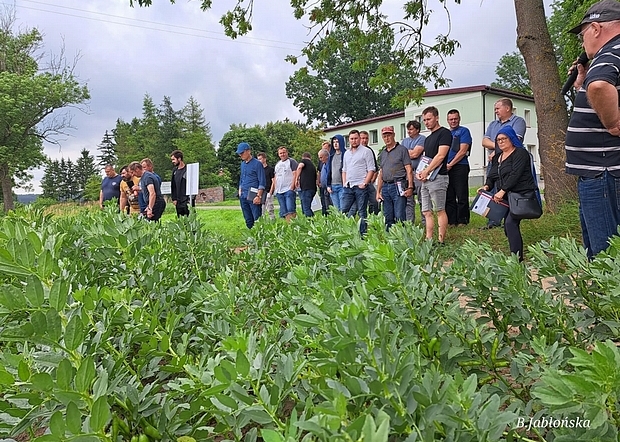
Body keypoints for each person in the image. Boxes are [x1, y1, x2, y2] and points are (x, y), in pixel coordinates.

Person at [566, 0, 620, 258]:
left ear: (596, 28)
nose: (582, 42)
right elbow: (594, 89)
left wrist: (613, 123)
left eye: (582, 34)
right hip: (600, 170)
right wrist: (580, 84)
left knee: (605, 256)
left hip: (605, 171)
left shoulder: (611, 52)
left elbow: (599, 86)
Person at [480, 126, 537, 261]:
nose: (500, 142)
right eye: (498, 139)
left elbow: (515, 174)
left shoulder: (520, 153)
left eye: (504, 138)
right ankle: (515, 253)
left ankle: (517, 260)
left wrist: (502, 190)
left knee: (510, 224)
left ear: (511, 138)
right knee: (508, 227)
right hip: (504, 198)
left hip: (519, 195)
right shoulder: (497, 157)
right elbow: (492, 175)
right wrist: (487, 186)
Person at [482, 98, 527, 229]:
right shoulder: (493, 124)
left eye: (497, 108)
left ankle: (510, 219)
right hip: (495, 162)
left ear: (507, 108)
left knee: (508, 189)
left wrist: (496, 150)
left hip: (512, 163)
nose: (495, 111)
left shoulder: (518, 122)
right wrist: (499, 148)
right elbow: (484, 141)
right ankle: (493, 221)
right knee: (492, 188)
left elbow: (515, 141)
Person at [417, 106, 452, 245]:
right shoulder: (427, 139)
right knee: (426, 211)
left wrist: (427, 171)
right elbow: (427, 158)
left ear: (437, 117)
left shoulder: (445, 133)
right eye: (424, 120)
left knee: (439, 209)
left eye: (429, 119)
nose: (426, 122)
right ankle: (429, 239)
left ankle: (441, 240)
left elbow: (440, 156)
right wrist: (421, 172)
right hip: (426, 179)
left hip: (439, 177)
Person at [375, 126, 414, 230]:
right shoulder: (382, 153)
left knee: (400, 215)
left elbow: (409, 169)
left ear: (393, 135)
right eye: (384, 136)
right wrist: (378, 191)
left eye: (389, 135)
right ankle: (390, 241)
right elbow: (381, 173)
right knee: (388, 216)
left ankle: (402, 240)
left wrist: (410, 187)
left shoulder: (402, 150)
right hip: (386, 186)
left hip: (398, 184)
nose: (387, 138)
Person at [341, 129, 376, 236]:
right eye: (351, 139)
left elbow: (371, 169)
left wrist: (365, 183)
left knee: (362, 212)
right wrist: (344, 182)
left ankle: (362, 235)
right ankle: (346, 233)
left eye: (356, 138)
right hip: (349, 186)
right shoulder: (346, 153)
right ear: (349, 140)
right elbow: (344, 170)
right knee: (345, 211)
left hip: (360, 186)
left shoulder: (366, 151)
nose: (354, 141)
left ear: (359, 139)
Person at [445, 109, 472, 226]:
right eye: (451, 119)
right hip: (446, 168)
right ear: (447, 121)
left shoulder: (464, 131)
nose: (453, 121)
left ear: (459, 119)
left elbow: (463, 151)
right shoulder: (446, 133)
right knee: (449, 195)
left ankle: (462, 220)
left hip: (460, 166)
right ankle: (451, 220)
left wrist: (451, 164)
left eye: (455, 118)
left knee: (461, 194)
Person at [401, 120, 426, 224]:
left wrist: (408, 152)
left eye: (411, 129)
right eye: (408, 129)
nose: (409, 131)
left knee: (422, 199)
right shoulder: (404, 141)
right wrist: (410, 152)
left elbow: (416, 154)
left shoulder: (422, 139)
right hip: (407, 174)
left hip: (418, 173)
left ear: (417, 129)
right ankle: (409, 222)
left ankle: (425, 222)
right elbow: (401, 155)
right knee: (408, 200)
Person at [236, 142, 266, 229]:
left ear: (248, 151)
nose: (240, 155)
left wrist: (259, 196)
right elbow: (242, 178)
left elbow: (262, 181)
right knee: (248, 220)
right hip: (243, 195)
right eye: (239, 153)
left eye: (242, 153)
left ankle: (260, 239)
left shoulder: (257, 164)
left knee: (257, 219)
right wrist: (240, 190)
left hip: (254, 195)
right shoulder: (242, 164)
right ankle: (252, 238)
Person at [272, 146, 298, 221]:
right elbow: (275, 176)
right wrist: (275, 189)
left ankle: (293, 225)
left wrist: (292, 187)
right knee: (283, 211)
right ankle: (286, 225)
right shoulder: (278, 164)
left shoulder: (291, 161)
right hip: (279, 191)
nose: (282, 154)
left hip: (288, 189)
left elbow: (295, 174)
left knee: (290, 209)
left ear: (287, 153)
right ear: (278, 154)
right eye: (280, 153)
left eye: (284, 152)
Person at [360, 130, 380, 215]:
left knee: (375, 202)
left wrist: (372, 179)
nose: (364, 140)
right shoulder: (353, 151)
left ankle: (374, 219)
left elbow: (375, 168)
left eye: (366, 138)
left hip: (369, 183)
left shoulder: (369, 150)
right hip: (358, 183)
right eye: (362, 138)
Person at [327, 134, 346, 211]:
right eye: (334, 142)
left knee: (343, 208)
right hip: (333, 186)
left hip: (342, 186)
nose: (335, 144)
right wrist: (328, 185)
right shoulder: (331, 156)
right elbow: (329, 171)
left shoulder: (345, 154)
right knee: (336, 209)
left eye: (337, 142)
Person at [295, 152, 318, 217]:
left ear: (303, 157)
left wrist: (297, 179)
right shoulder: (312, 165)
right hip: (313, 189)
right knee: (307, 206)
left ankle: (311, 221)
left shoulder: (304, 161)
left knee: (306, 208)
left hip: (306, 188)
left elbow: (299, 167)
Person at [170, 149, 190, 217]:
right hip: (178, 201)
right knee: (180, 220)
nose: (172, 162)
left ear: (179, 159)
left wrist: (190, 199)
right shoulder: (174, 171)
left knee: (189, 219)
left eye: (173, 159)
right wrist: (174, 199)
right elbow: (173, 186)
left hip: (187, 200)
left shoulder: (188, 169)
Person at [257, 152, 275, 220]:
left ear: (264, 159)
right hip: (261, 192)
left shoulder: (270, 169)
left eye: (260, 159)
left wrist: (270, 192)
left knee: (270, 209)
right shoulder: (258, 170)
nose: (259, 161)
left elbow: (273, 181)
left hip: (268, 191)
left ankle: (272, 221)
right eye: (258, 159)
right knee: (261, 210)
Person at [317, 148, 332, 215]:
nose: (320, 159)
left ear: (326, 156)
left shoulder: (330, 164)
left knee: (332, 206)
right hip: (325, 189)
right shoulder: (323, 164)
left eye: (321, 157)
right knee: (326, 206)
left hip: (330, 188)